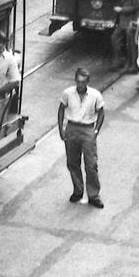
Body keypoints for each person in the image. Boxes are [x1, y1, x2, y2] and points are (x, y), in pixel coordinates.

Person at [58, 68, 105, 209]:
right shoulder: (67, 93)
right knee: (72, 162)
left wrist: (96, 130)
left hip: (88, 129)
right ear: (75, 81)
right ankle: (78, 191)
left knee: (91, 164)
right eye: (78, 82)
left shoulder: (95, 95)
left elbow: (101, 113)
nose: (80, 85)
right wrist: (61, 128)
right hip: (72, 128)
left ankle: (93, 195)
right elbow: (61, 109)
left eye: (83, 82)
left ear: (88, 82)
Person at [110, 0, 139, 73]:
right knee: (115, 38)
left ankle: (133, 66)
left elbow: (137, 7)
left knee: (131, 44)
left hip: (130, 21)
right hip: (122, 21)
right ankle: (118, 61)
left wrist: (122, 9)